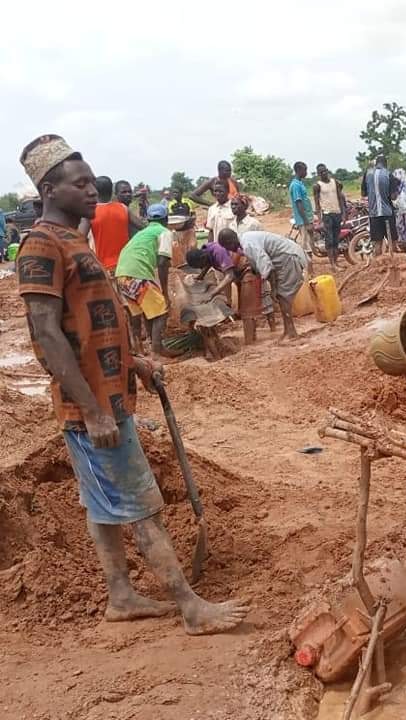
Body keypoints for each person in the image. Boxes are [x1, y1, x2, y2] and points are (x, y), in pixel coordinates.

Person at [15, 134, 248, 635]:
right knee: (141, 504)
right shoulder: (40, 245)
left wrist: (136, 361)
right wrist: (93, 409)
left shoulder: (76, 238)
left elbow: (96, 319)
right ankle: (190, 607)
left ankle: (121, 596)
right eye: (80, 185)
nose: (92, 191)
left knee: (101, 505)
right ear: (50, 190)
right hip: (92, 406)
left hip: (111, 393)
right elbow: (47, 334)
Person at [114, 204, 179, 359]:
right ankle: (157, 350)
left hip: (121, 275)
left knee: (147, 312)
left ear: (149, 219)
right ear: (166, 219)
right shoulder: (164, 232)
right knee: (162, 309)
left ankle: (152, 348)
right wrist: (164, 291)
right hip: (137, 275)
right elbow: (163, 262)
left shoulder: (143, 233)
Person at [217, 229, 306, 341]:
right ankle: (288, 330)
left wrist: (273, 289)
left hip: (289, 257)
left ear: (231, 241)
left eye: (227, 247)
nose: (229, 250)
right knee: (282, 296)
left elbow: (268, 268)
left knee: (282, 296)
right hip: (287, 256)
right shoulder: (245, 240)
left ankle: (291, 332)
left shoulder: (248, 245)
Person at [87, 176, 132, 273]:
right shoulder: (123, 208)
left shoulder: (90, 212)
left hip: (102, 267)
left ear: (95, 190)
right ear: (112, 190)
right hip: (125, 264)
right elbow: (143, 228)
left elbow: (78, 239)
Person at [313, 163, 348, 270]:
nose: (324, 173)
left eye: (325, 171)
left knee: (337, 239)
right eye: (321, 172)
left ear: (327, 170)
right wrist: (320, 219)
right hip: (327, 215)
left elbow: (340, 198)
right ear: (318, 174)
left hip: (337, 213)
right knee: (330, 240)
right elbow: (317, 203)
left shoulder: (335, 182)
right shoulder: (317, 186)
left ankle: (336, 262)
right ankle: (332, 264)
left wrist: (343, 214)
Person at [365, 155, 398, 253]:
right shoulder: (389, 174)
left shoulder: (367, 174)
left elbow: (363, 193)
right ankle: (392, 262)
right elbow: (393, 197)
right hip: (387, 212)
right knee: (392, 241)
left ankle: (378, 264)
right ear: (385, 163)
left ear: (376, 163)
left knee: (377, 243)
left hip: (373, 214)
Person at [289, 161, 315, 258]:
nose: (306, 173)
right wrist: (307, 222)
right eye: (305, 170)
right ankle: (308, 269)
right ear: (299, 170)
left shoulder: (300, 183)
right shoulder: (296, 185)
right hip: (303, 220)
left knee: (310, 243)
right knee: (306, 245)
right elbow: (299, 204)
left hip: (307, 218)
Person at [204, 180, 234, 255]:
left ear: (227, 191)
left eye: (221, 191)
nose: (217, 194)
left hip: (232, 249)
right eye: (215, 191)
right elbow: (211, 231)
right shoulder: (212, 209)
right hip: (218, 250)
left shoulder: (234, 207)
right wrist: (209, 248)